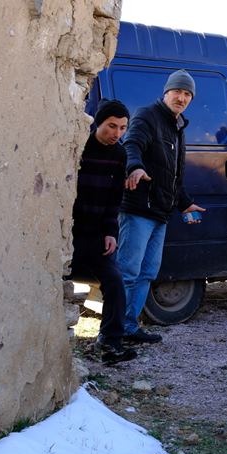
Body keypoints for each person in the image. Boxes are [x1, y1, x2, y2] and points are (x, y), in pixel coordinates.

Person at [117, 69, 206, 344]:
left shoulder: (178, 127)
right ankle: (112, 331)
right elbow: (131, 144)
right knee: (127, 272)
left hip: (160, 213)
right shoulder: (147, 115)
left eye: (187, 93)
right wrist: (134, 167)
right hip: (138, 209)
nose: (181, 97)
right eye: (177, 91)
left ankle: (129, 328)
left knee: (147, 273)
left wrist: (186, 203)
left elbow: (173, 176)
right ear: (166, 92)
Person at [70, 99, 137, 364]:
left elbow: (114, 199)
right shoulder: (79, 146)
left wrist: (111, 232)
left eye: (122, 128)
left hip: (98, 234)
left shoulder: (119, 154)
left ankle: (110, 343)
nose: (117, 133)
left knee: (115, 282)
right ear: (99, 122)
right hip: (70, 234)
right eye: (112, 126)